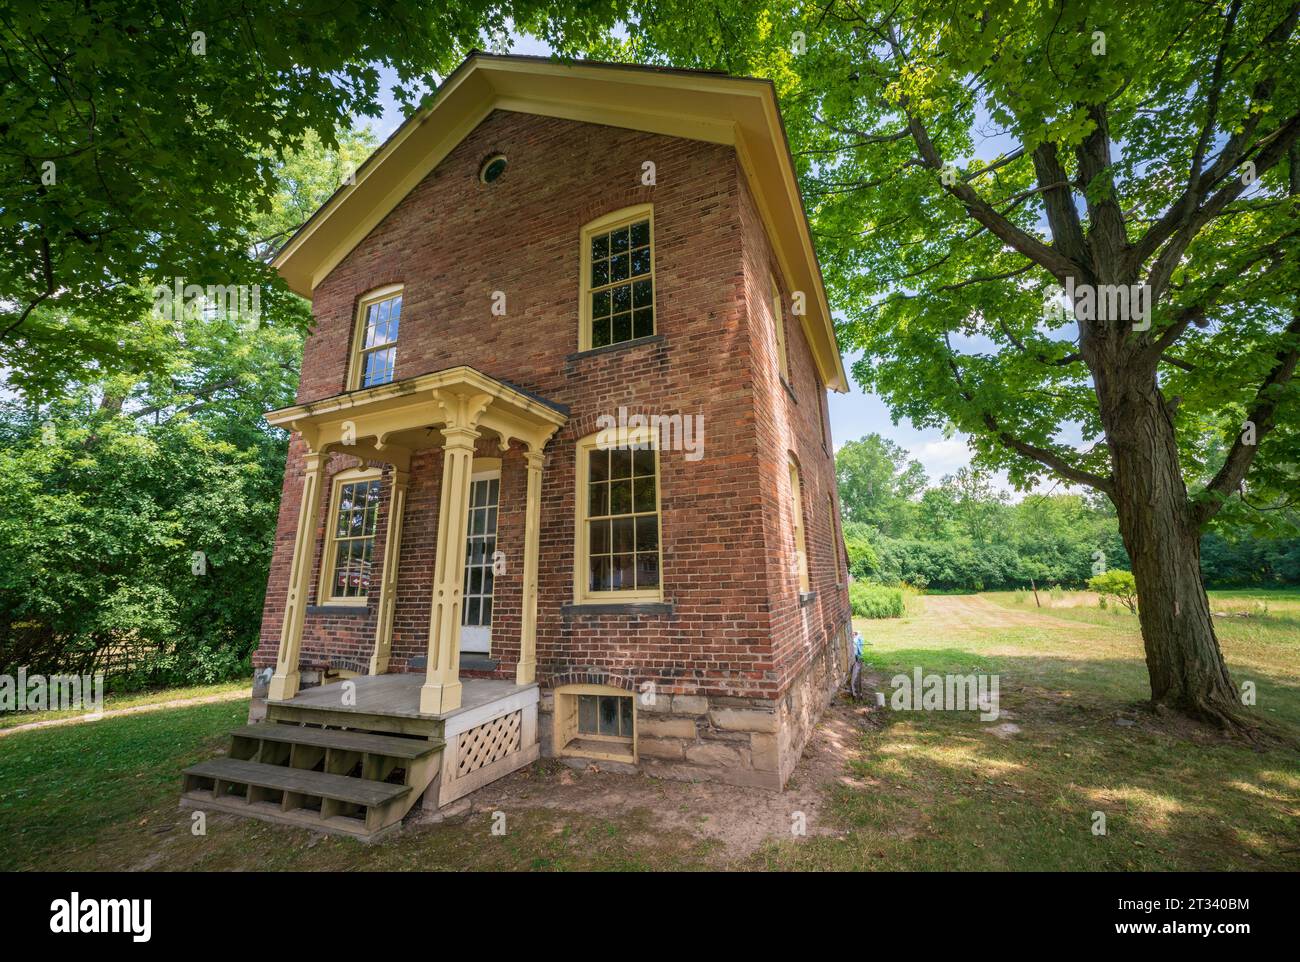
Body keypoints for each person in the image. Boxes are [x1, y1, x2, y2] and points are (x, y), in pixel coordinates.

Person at [849, 629, 864, 698]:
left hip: (856, 658)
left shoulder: (856, 639)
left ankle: (857, 693)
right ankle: (856, 693)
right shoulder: (855, 640)